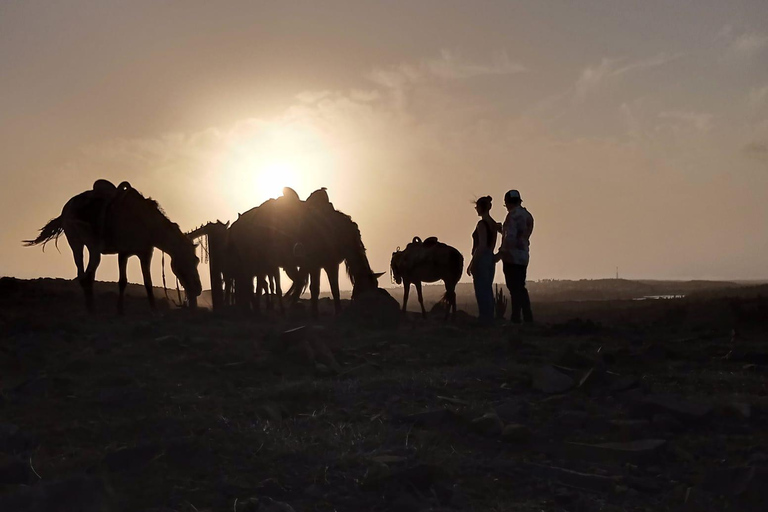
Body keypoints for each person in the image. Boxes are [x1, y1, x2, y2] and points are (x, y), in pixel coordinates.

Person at [495, 189, 534, 324]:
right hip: (523, 256)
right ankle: (526, 316)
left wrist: (500, 253)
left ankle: (517, 317)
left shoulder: (512, 216)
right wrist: (502, 230)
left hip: (511, 257)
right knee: (520, 287)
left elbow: (510, 238)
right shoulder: (527, 215)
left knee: (514, 288)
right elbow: (521, 235)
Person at [467, 196, 499, 325]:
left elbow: (482, 245)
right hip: (490, 258)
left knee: (481, 290)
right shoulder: (494, 224)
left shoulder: (482, 224)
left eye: (477, 207)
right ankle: (489, 317)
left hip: (482, 259)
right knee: (487, 288)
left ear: (481, 208)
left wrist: (472, 263)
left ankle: (485, 318)